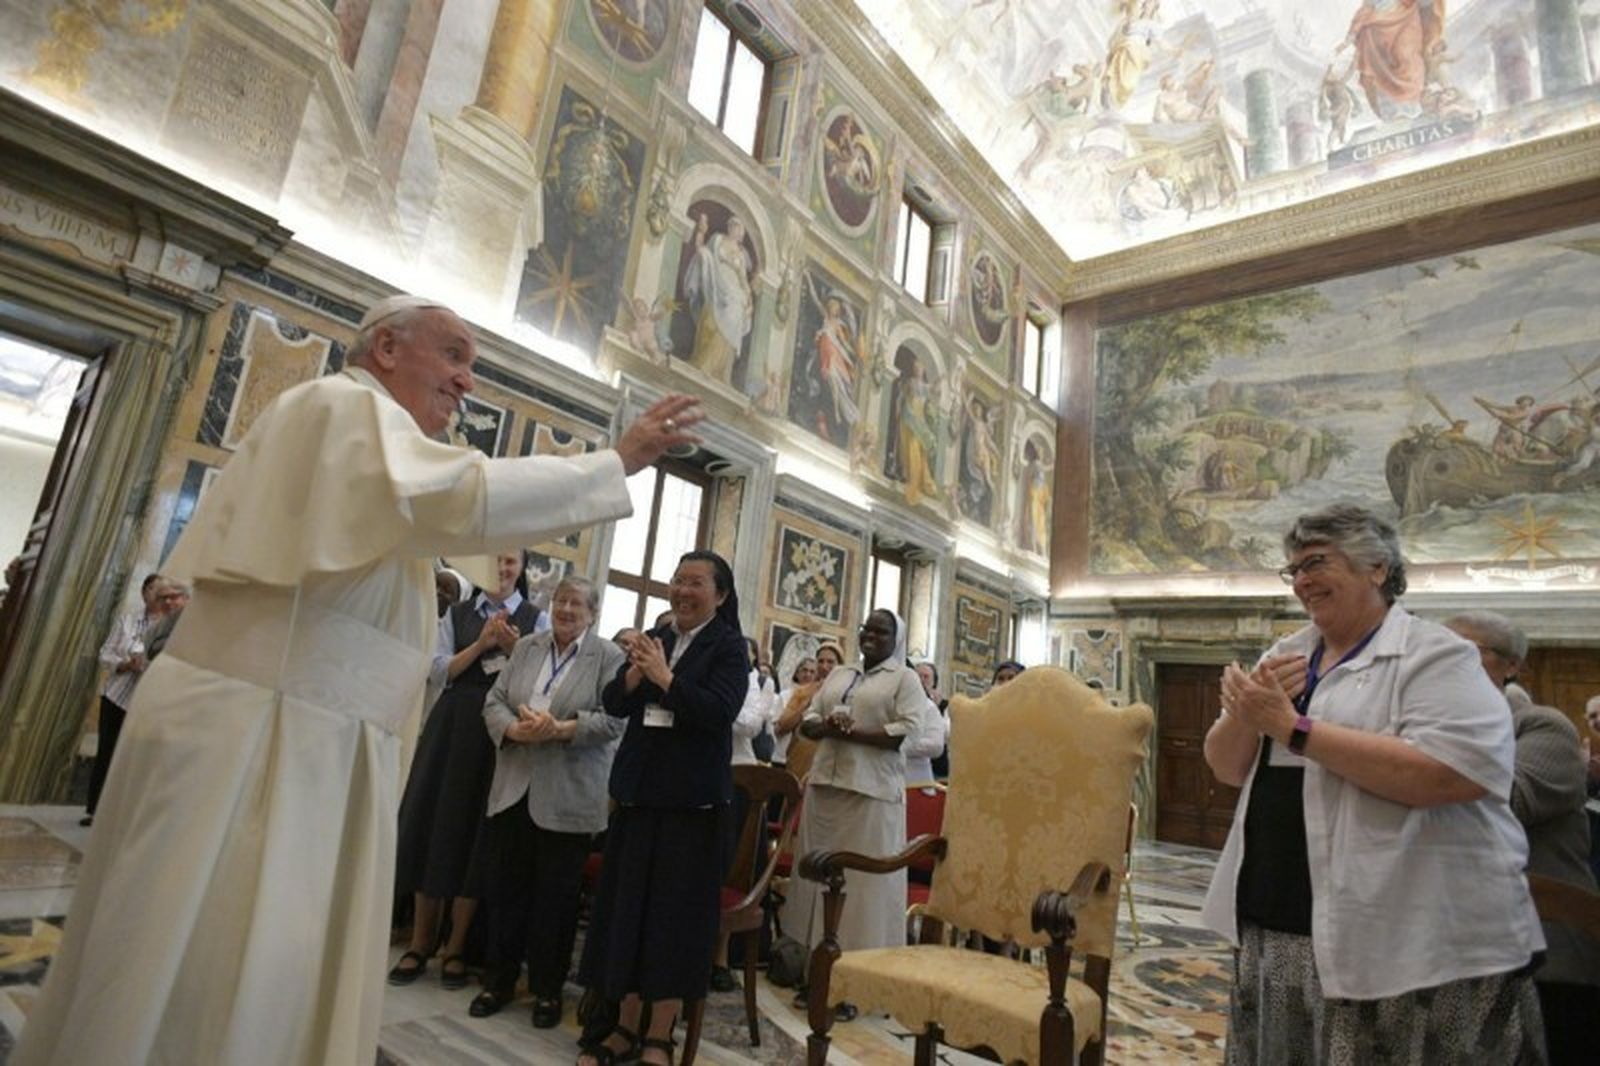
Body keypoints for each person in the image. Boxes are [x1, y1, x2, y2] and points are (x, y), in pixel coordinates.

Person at [13, 294, 703, 1066]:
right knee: (216, 966)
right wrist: (618, 461)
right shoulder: (344, 410)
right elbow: (463, 495)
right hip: (266, 745)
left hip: (310, 744)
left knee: (270, 966)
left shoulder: (370, 447)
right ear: (384, 349)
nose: (467, 382)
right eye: (454, 356)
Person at [1201, 504, 1545, 1065]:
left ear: (1378, 568)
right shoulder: (1287, 655)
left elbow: (1450, 774)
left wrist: (1292, 727)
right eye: (1293, 571)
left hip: (1409, 934)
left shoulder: (1438, 656)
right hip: (1282, 924)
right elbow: (1224, 766)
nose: (1302, 581)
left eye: (1316, 562)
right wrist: (1246, 713)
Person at [578, 551, 748, 1066]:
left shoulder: (729, 647)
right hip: (638, 797)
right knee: (629, 915)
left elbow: (719, 712)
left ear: (719, 595)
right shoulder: (661, 637)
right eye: (677, 580)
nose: (682, 590)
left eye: (695, 582)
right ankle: (624, 1028)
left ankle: (660, 1034)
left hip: (691, 808)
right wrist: (636, 675)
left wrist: (667, 679)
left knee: (672, 924)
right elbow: (613, 702)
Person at [468, 575, 625, 1027]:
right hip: (515, 786)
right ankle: (497, 982)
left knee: (554, 903)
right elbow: (494, 700)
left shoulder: (607, 657)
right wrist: (512, 729)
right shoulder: (528, 647)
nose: (567, 610)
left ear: (592, 614)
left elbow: (614, 722)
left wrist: (560, 729)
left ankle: (547, 992)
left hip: (569, 794)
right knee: (506, 893)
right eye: (561, 601)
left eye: (577, 604)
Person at [1445, 611, 1600, 1065]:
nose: (1444, 662)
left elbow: (1505, 802)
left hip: (1548, 952)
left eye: (1465, 651)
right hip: (1459, 949)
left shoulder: (1541, 726)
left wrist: (1404, 768)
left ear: (1510, 665)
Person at [391, 551, 539, 989]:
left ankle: (455, 948)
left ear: (521, 568)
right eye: (496, 559)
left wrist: (515, 650)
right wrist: (481, 645)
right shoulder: (458, 613)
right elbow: (438, 671)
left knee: (478, 836)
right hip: (452, 728)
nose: (503, 568)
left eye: (511, 561)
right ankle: (419, 943)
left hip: (499, 737)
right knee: (434, 826)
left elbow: (539, 683)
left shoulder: (536, 618)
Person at [782, 609, 926, 1011]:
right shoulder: (842, 674)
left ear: (895, 639)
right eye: (867, 628)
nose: (871, 635)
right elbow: (808, 721)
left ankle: (853, 984)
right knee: (815, 881)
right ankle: (817, 974)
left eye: (881, 631)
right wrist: (824, 727)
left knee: (861, 890)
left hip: (871, 793)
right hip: (826, 785)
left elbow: (908, 732)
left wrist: (853, 733)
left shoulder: (905, 679)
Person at [83, 573, 181, 827]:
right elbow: (105, 654)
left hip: (147, 702)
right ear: (146, 593)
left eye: (170, 596)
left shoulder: (172, 626)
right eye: (159, 594)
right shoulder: (128, 621)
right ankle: (95, 810)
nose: (164, 601)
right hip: (117, 696)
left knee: (134, 758)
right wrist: (125, 664)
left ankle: (121, 814)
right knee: (107, 752)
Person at [682, 211, 755, 382]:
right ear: (729, 228)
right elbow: (703, 252)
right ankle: (704, 362)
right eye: (734, 226)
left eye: (739, 228)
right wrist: (701, 232)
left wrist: (750, 301)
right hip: (716, 283)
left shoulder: (741, 254)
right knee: (711, 320)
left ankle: (721, 371)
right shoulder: (717, 239)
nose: (736, 230)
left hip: (735, 290)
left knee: (735, 312)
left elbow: (743, 279)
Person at [775, 641, 845, 781]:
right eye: (821, 661)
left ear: (840, 665)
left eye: (831, 662)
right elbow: (781, 727)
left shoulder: (848, 693)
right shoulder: (802, 692)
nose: (825, 667)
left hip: (831, 762)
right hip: (799, 758)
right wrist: (807, 703)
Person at [771, 656, 816, 769]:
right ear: (797, 673)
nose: (808, 675)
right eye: (804, 670)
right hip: (780, 758)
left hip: (804, 760)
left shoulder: (818, 698)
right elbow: (776, 729)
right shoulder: (785, 696)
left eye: (812, 672)